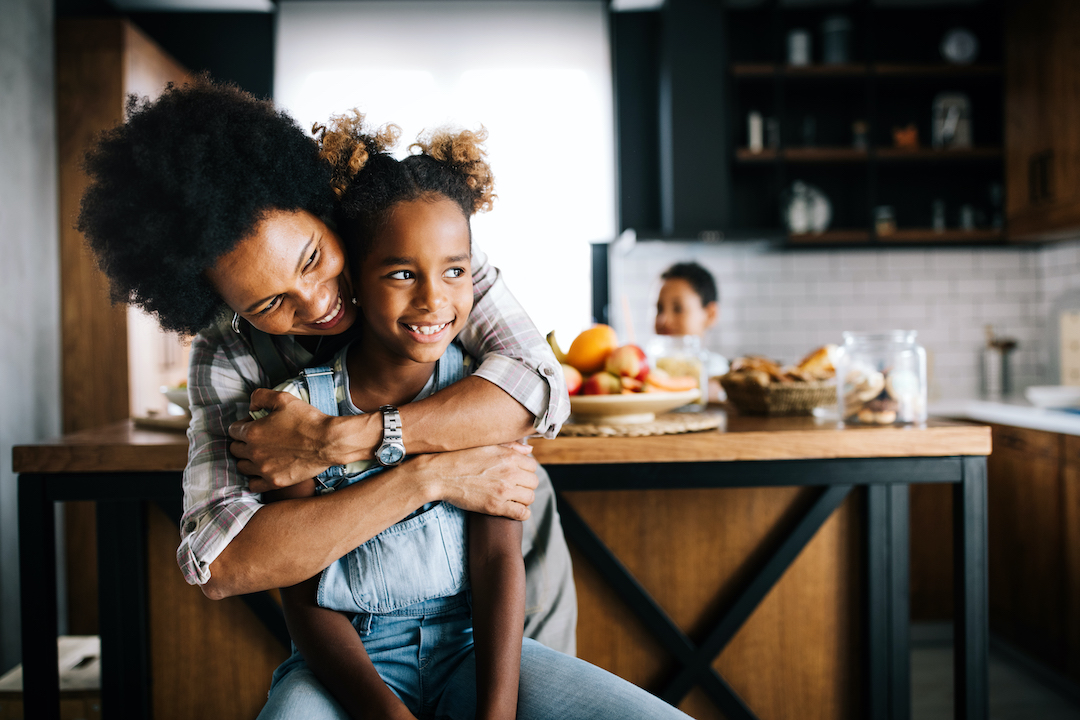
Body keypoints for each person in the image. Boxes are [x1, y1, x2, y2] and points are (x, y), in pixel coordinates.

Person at [76, 74, 575, 674]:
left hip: (497, 509)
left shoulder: (412, 253)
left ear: (321, 207)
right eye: (268, 305)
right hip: (373, 602)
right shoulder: (228, 356)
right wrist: (429, 477)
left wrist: (337, 440)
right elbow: (225, 560)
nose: (316, 305)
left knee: (535, 676)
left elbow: (538, 388)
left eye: (312, 258)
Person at [256, 115, 694, 719]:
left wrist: (496, 714)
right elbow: (305, 601)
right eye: (402, 274)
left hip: (471, 651)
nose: (434, 300)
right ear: (353, 279)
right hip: (348, 665)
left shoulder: (482, 398)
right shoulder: (298, 414)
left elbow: (495, 560)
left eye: (455, 271)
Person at [654, 262, 730, 402]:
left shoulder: (718, 370)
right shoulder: (650, 367)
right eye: (659, 309)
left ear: (710, 314)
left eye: (678, 308)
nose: (663, 320)